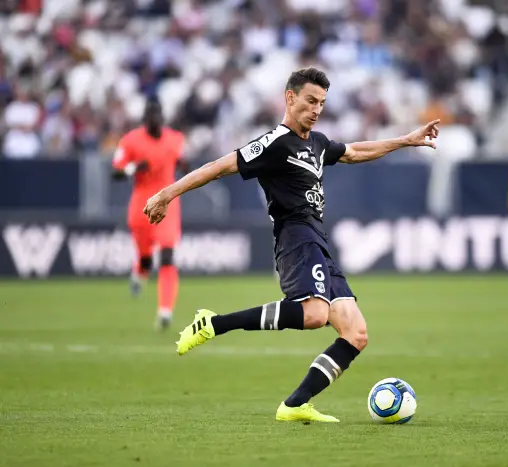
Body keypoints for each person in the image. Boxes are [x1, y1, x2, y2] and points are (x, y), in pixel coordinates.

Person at [143, 67, 439, 422]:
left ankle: (295, 405)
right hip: (295, 237)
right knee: (314, 314)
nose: (316, 109)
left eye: (322, 103)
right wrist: (166, 194)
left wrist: (406, 140)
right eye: (310, 101)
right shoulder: (275, 143)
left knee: (355, 333)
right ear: (290, 97)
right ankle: (214, 323)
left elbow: (355, 152)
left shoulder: (317, 143)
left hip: (318, 240)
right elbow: (219, 167)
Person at [112, 98, 188, 331]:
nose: (155, 121)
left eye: (158, 117)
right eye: (151, 117)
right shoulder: (130, 140)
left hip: (167, 203)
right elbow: (115, 171)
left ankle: (165, 311)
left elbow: (183, 161)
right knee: (146, 258)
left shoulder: (175, 139)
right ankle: (139, 272)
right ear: (145, 120)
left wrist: (185, 165)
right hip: (141, 206)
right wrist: (134, 168)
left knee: (166, 255)